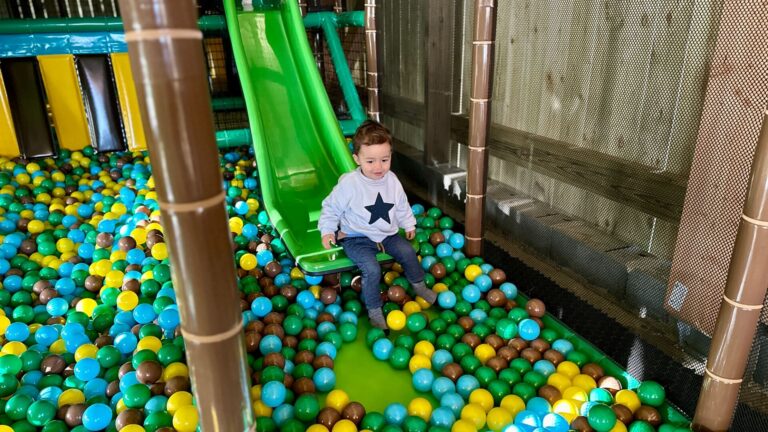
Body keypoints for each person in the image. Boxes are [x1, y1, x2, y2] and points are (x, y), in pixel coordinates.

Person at [318, 120, 436, 329]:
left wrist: (408, 223)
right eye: (370, 161)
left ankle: (419, 286)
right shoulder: (350, 183)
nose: (379, 167)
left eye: (384, 159)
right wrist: (327, 230)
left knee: (408, 252)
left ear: (390, 155)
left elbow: (401, 204)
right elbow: (331, 207)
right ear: (357, 159)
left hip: (386, 235)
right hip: (355, 237)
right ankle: (374, 310)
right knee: (371, 269)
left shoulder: (392, 180)